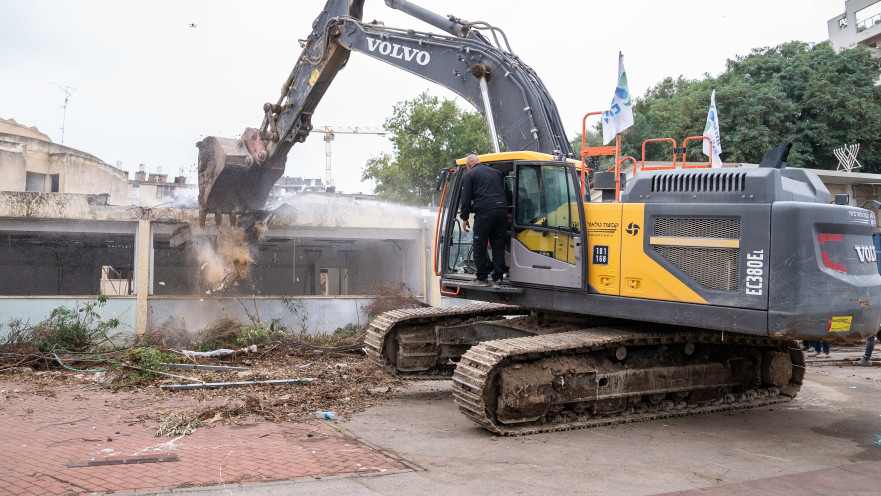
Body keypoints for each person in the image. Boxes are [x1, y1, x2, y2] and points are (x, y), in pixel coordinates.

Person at [460, 154, 510, 288]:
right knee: (498, 246)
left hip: (484, 213)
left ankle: (482, 278)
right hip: (502, 211)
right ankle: (498, 280)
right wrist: (508, 211)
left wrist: (464, 217)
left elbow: (465, 199)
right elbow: (508, 193)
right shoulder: (497, 173)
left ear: (468, 165)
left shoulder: (470, 175)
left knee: (479, 245)